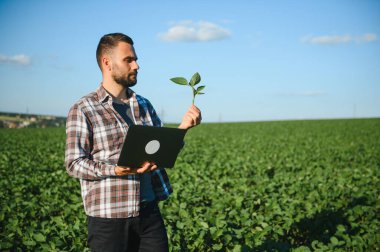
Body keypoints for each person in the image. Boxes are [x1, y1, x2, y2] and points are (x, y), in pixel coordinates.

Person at [65, 33, 201, 252]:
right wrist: (115, 170)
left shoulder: (144, 104)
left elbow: (162, 149)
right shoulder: (83, 108)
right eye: (128, 60)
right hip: (109, 219)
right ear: (107, 62)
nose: (136, 65)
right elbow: (74, 163)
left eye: (135, 59)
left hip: (148, 212)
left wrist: (183, 127)